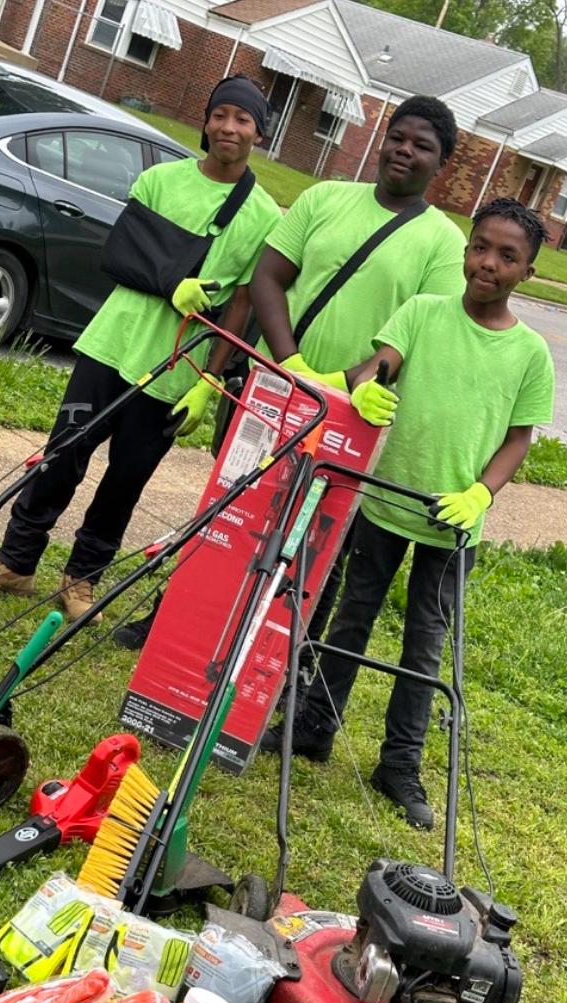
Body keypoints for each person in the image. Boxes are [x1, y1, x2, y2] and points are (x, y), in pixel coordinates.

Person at [113, 96, 467, 649]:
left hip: (353, 412)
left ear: (440, 164)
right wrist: (291, 361)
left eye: (423, 146)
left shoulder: (444, 243)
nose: (405, 150)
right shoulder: (325, 197)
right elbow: (268, 278)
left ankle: (283, 654)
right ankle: (172, 619)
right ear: (383, 139)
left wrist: (351, 381)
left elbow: (425, 331)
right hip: (276, 385)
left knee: (318, 539)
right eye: (398, 136)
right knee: (230, 509)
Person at [0, 76, 281, 621]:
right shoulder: (159, 180)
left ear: (259, 132)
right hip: (113, 344)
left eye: (243, 120)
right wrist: (170, 282)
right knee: (62, 457)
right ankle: (15, 562)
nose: (229, 127)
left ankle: (83, 580)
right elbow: (121, 253)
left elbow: (243, 304)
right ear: (205, 121)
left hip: (177, 366)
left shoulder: (264, 215)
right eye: (221, 115)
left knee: (126, 480)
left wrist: (210, 381)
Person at [274, 198, 557, 830]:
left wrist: (481, 494)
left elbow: (517, 439)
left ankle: (398, 766)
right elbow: (384, 364)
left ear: (528, 272)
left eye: (507, 256)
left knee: (423, 648)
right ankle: (315, 727)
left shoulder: (530, 353)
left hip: (452, 524)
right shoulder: (425, 313)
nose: (487, 263)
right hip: (384, 499)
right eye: (480, 246)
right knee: (351, 618)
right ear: (466, 250)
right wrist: (368, 384)